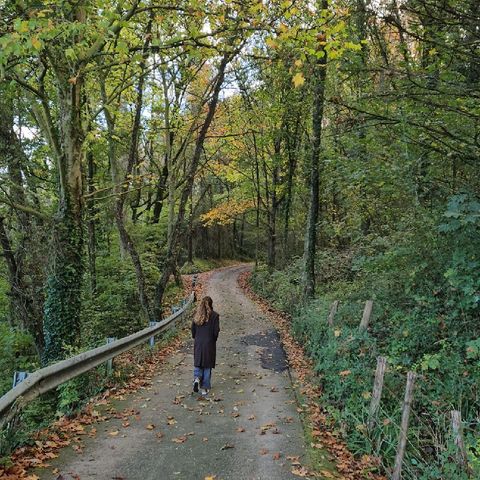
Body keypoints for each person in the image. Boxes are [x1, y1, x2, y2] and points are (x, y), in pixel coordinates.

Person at [191, 296, 220, 396]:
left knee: (198, 363)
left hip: (198, 342)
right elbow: (216, 332)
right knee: (207, 366)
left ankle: (197, 379)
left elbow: (193, 331)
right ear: (211, 304)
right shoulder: (215, 316)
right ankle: (204, 388)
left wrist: (196, 338)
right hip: (209, 343)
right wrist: (213, 340)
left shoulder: (196, 315)